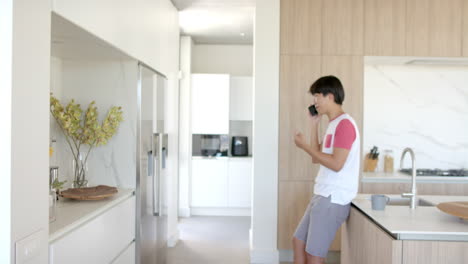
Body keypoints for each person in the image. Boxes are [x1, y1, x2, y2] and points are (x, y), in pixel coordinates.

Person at [292, 76, 360, 264]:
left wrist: (304, 146)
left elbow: (336, 164)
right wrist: (314, 124)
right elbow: (317, 157)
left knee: (315, 254)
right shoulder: (333, 124)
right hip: (322, 194)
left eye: (317, 97)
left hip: (333, 197)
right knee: (298, 241)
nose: (314, 102)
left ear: (330, 96)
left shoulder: (345, 125)